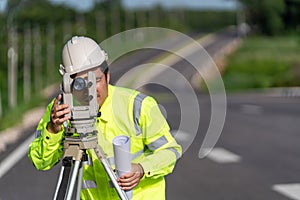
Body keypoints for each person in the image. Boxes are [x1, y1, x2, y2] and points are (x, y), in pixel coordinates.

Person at [28, 36, 182, 200]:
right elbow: (41, 162)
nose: (89, 90)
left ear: (108, 77)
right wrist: (53, 129)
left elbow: (171, 151)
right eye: (80, 82)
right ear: (67, 83)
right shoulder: (59, 111)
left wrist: (142, 168)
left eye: (96, 80)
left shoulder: (138, 106)